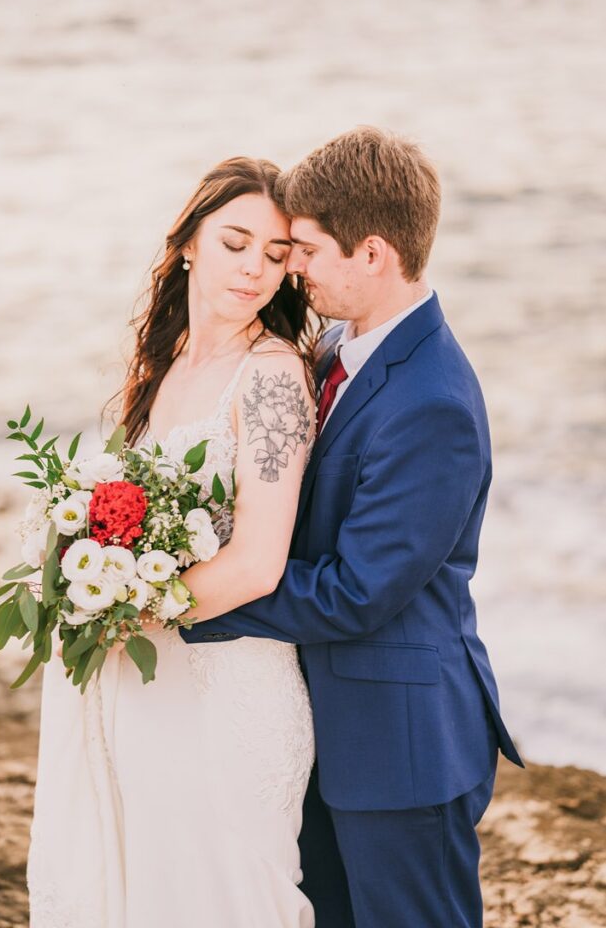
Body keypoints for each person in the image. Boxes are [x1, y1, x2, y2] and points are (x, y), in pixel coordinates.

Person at [182, 127, 525, 928]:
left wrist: (185, 597)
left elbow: (355, 593)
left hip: (400, 745)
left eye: (302, 247)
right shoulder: (339, 345)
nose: (287, 266)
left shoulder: (431, 404)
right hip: (320, 731)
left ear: (371, 254)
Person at [27, 156, 319, 928]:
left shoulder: (270, 376)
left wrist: (129, 612)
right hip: (144, 681)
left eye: (277, 255)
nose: (255, 267)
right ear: (188, 241)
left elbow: (259, 559)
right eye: (235, 243)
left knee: (220, 896)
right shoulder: (160, 366)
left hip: (225, 688)